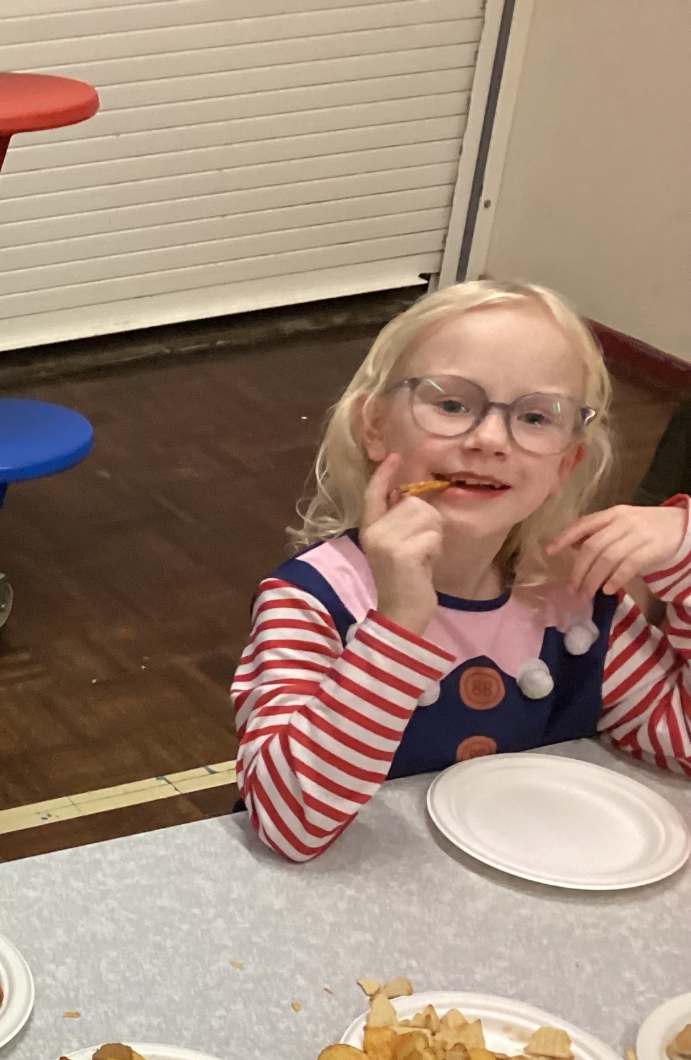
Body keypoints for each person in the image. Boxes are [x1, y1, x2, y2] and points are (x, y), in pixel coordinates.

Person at [233, 279, 691, 862]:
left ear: (565, 463)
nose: (490, 440)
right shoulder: (312, 600)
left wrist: (687, 566)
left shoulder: (572, 601)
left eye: (535, 416)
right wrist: (397, 623)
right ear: (375, 427)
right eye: (451, 405)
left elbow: (681, 741)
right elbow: (290, 825)